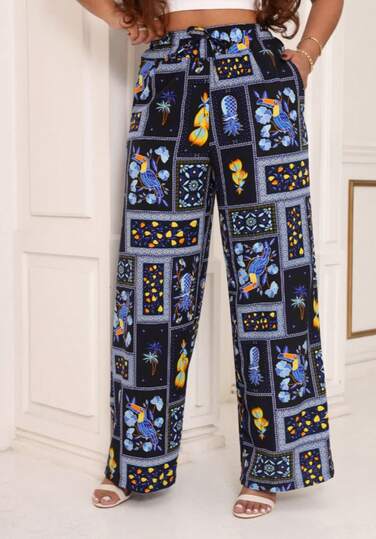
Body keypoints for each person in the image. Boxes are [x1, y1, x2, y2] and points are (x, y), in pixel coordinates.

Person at [77, 0, 343, 519]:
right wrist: (120, 17)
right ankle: (136, 459)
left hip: (258, 76)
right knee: (154, 276)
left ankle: (273, 466)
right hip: (168, 72)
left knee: (272, 276)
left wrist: (307, 56)